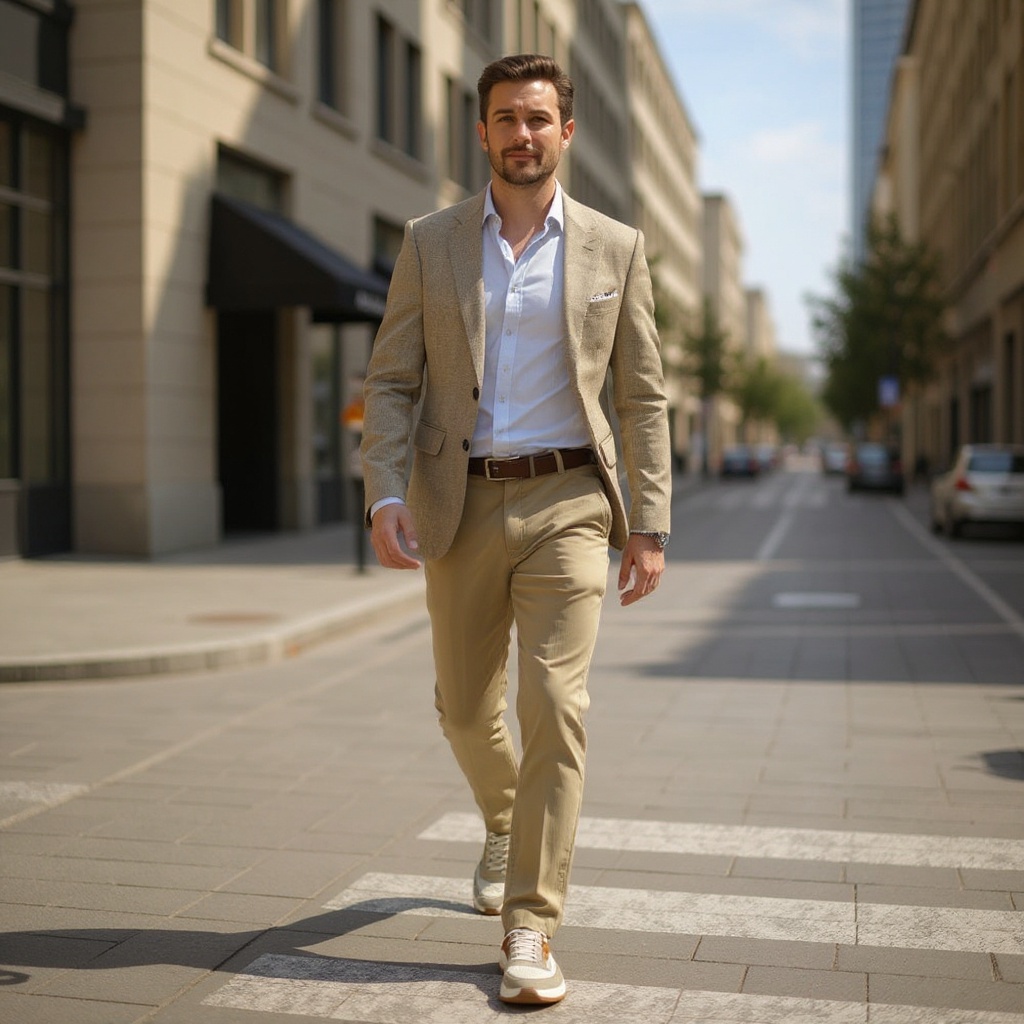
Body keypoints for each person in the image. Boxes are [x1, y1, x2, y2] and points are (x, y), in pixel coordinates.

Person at [360, 53, 671, 1005]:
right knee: (463, 708)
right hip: (460, 499)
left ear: (565, 133)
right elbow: (394, 378)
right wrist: (384, 490)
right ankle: (505, 815)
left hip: (572, 501)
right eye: (505, 118)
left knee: (554, 704)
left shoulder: (615, 247)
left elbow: (643, 394)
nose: (522, 133)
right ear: (483, 132)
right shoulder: (433, 241)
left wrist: (648, 523)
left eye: (539, 118)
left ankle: (530, 927)